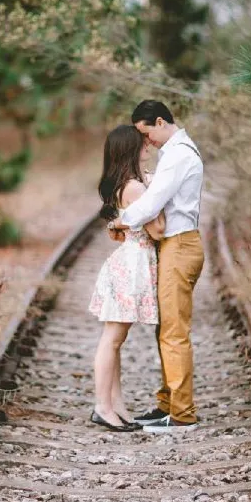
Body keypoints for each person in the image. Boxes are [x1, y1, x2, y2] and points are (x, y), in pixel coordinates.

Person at [112, 100, 204, 433]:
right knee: (164, 328)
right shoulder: (174, 153)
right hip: (175, 247)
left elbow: (152, 204)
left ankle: (182, 414)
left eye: (145, 132)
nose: (145, 142)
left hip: (180, 246)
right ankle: (168, 403)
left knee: (174, 332)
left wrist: (121, 221)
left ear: (160, 122)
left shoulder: (179, 154)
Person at [89, 125, 165, 432]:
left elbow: (118, 232)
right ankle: (102, 406)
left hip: (128, 260)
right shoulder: (134, 187)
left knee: (116, 340)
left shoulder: (128, 183)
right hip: (132, 264)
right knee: (112, 339)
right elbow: (157, 229)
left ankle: (116, 405)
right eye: (142, 142)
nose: (147, 145)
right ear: (130, 149)